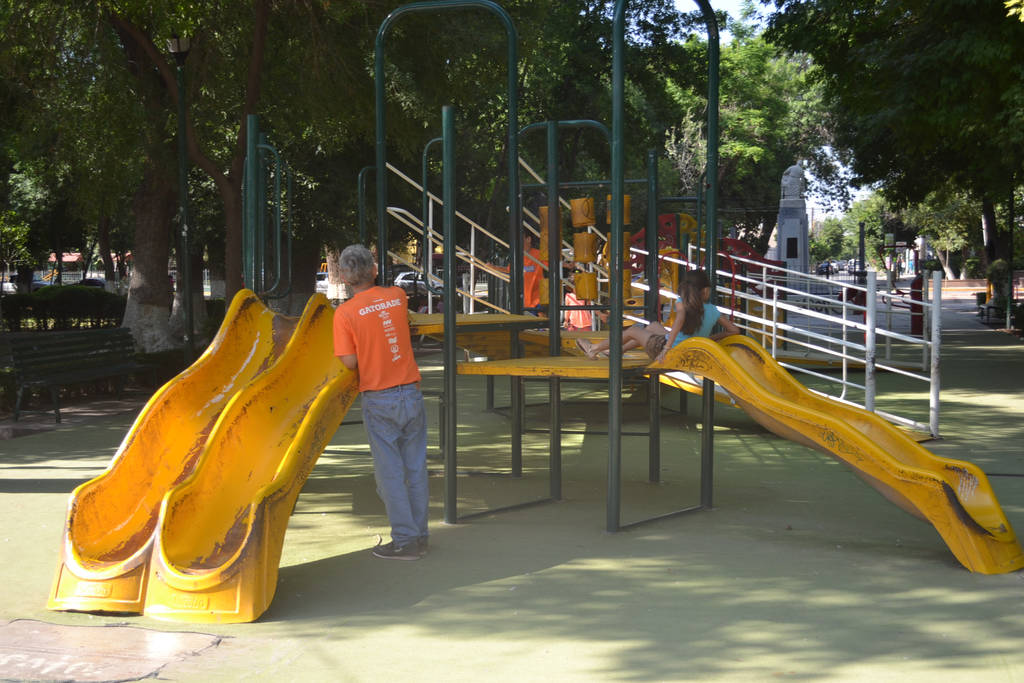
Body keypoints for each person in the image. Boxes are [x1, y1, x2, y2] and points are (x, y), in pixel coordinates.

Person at [333, 244, 429, 561]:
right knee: (415, 469)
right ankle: (420, 535)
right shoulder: (397, 297)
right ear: (374, 270)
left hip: (379, 396)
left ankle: (405, 541)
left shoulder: (345, 313)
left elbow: (349, 361)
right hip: (410, 392)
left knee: (390, 475)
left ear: (344, 277)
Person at [576, 269, 740, 363]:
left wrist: (666, 349)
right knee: (653, 326)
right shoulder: (713, 310)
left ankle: (593, 349)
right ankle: (616, 351)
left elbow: (680, 318)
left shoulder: (682, 302)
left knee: (633, 331)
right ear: (705, 290)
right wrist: (709, 339)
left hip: (667, 350)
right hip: (687, 349)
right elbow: (734, 331)